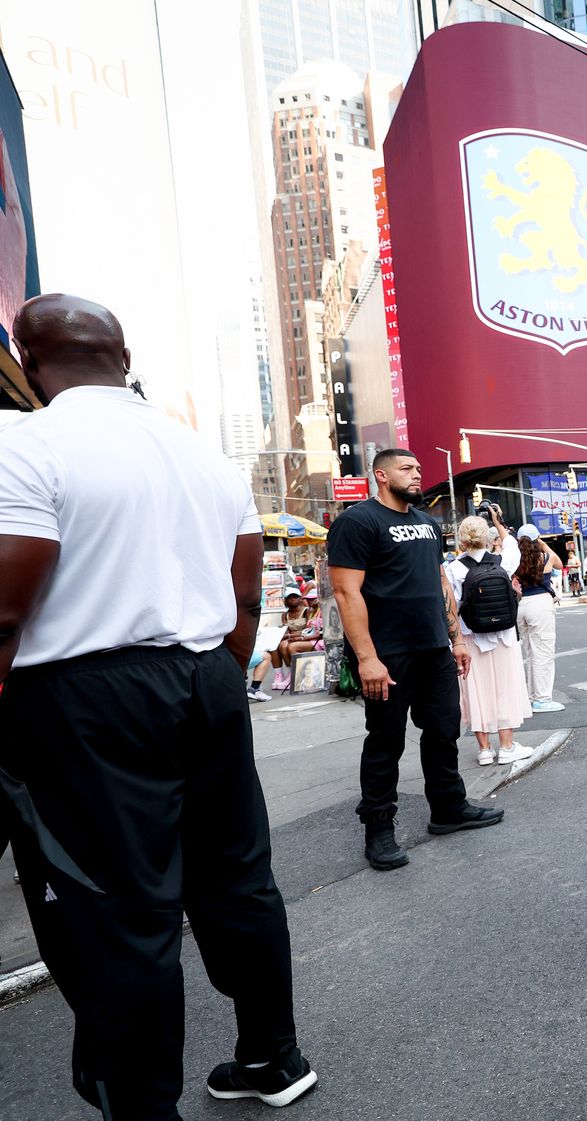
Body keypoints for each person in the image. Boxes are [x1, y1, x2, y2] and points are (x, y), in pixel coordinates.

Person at [0, 293, 316, 1116]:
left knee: (116, 910)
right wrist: (211, 677)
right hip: (205, 676)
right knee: (238, 878)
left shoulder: (27, 444)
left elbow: (4, 609)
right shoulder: (202, 454)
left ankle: (142, 1105)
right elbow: (246, 593)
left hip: (85, 695)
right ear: (123, 356)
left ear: (29, 363)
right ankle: (271, 1054)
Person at [328, 449, 504, 872]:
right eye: (407, 469)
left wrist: (456, 639)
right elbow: (346, 593)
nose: (417, 474)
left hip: (434, 650)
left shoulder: (426, 524)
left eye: (419, 468)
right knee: (385, 742)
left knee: (444, 730)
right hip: (387, 655)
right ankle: (378, 828)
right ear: (381, 475)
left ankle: (447, 809)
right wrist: (367, 658)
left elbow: (439, 582)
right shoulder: (358, 521)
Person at [445, 515, 533, 765]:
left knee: (476, 691)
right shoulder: (503, 561)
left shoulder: (454, 569)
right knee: (506, 689)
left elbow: (451, 606)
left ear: (461, 540)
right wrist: (497, 522)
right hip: (504, 636)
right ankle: (506, 746)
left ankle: (484, 750)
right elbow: (512, 544)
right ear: (487, 537)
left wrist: (455, 641)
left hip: (470, 638)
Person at [515, 522, 565, 713]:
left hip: (522, 605)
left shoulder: (515, 560)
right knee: (543, 652)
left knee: (529, 653)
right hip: (541, 606)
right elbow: (559, 564)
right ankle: (542, 699)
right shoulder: (546, 557)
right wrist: (543, 544)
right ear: (538, 540)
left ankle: (531, 696)